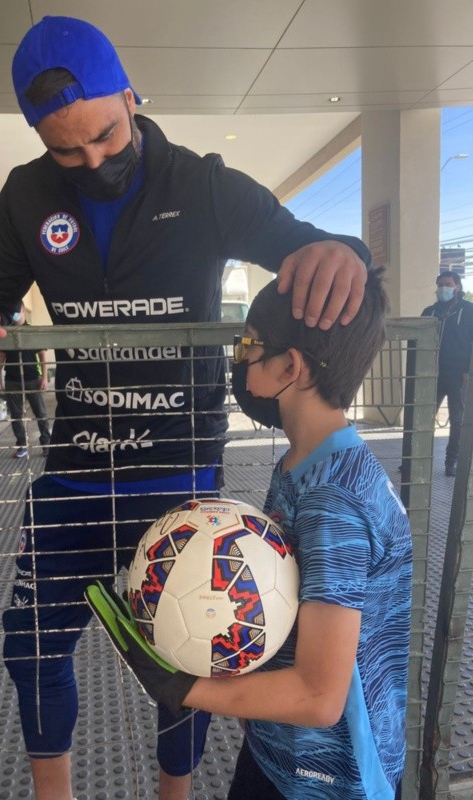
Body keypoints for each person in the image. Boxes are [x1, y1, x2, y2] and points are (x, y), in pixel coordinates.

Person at [0, 16, 372, 800]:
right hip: (74, 471)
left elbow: (307, 244)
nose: (94, 160)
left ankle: (176, 794)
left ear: (131, 96)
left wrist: (347, 254)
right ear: (39, 139)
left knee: (189, 654)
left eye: (105, 134)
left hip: (176, 472)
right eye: (68, 150)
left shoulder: (201, 185)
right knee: (30, 648)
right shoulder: (27, 194)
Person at [88, 267, 412, 800]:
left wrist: (184, 687)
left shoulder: (334, 499)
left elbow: (320, 697)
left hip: (331, 778)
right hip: (277, 747)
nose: (239, 360)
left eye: (249, 346)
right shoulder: (304, 465)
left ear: (291, 366)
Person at [421, 270, 473, 477]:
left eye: (448, 284)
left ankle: (451, 462)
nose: (444, 288)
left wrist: (468, 370)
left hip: (459, 375)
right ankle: (415, 459)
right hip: (431, 374)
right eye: (440, 284)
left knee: (457, 420)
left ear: (457, 287)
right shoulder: (429, 312)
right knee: (423, 418)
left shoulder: (468, 311)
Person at [0, 304, 51, 459]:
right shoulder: (6, 332)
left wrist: (44, 377)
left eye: (17, 310)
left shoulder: (32, 331)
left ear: (24, 311)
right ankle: (22, 445)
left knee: (41, 413)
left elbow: (42, 355)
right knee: (16, 415)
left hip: (33, 379)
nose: (15, 314)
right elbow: (1, 355)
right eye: (12, 311)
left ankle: (46, 444)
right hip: (12, 380)